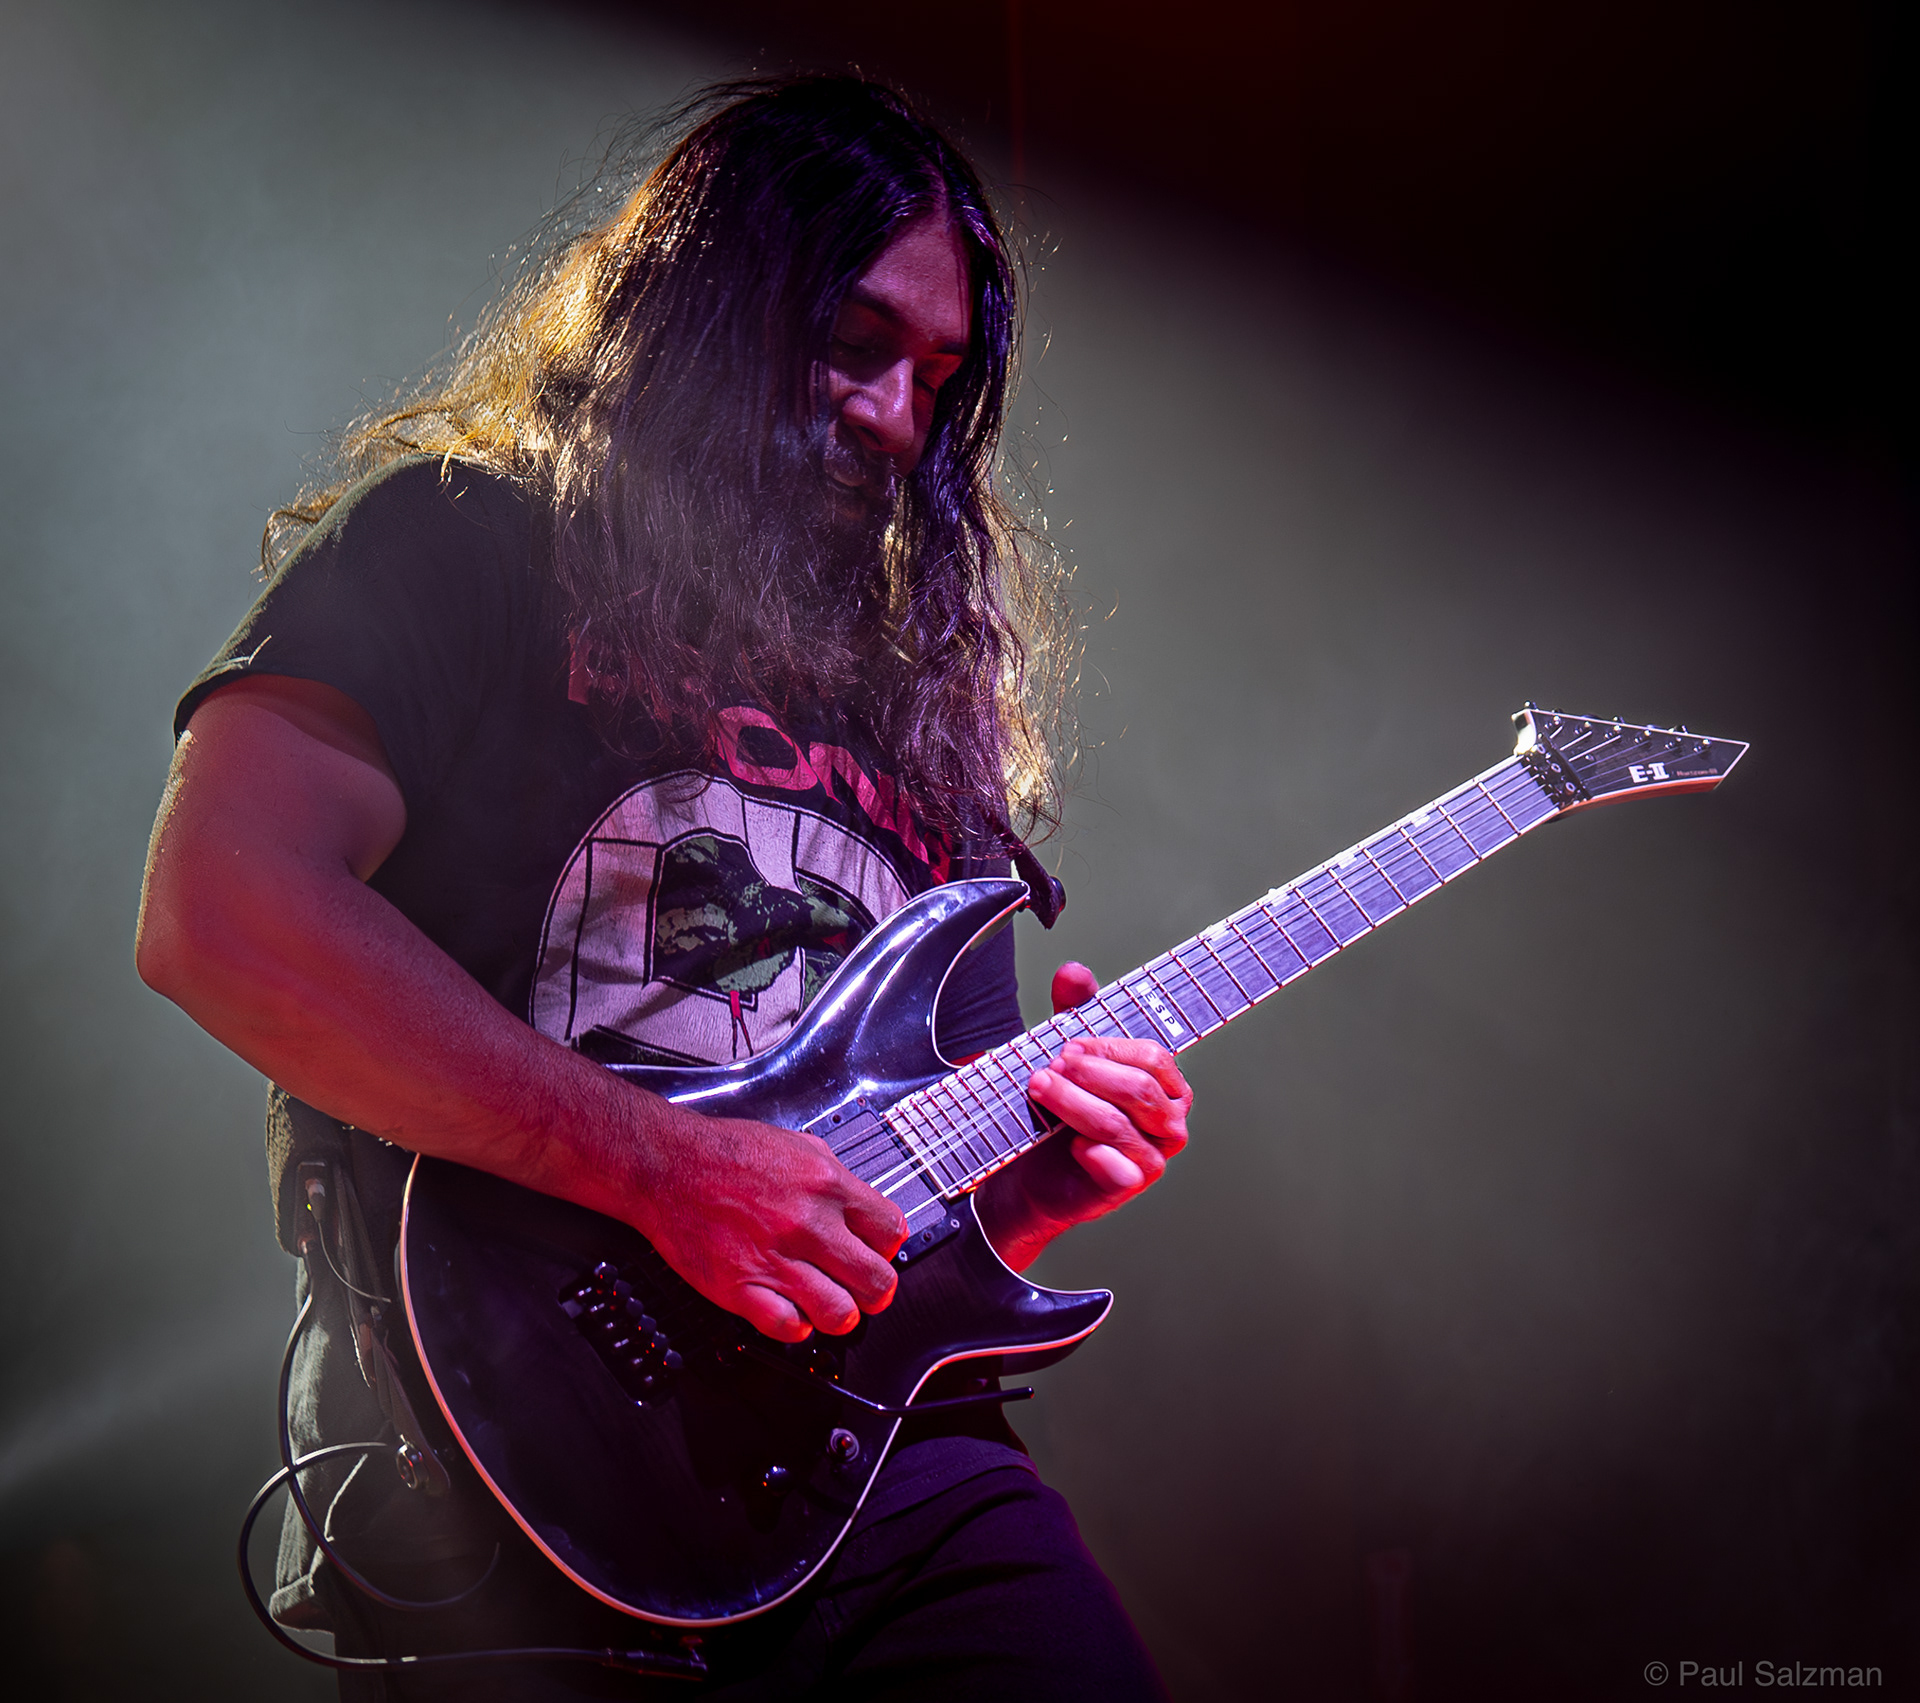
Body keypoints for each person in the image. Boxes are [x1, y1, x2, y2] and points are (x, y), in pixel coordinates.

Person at [137, 76, 1191, 1700]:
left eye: (938, 380)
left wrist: (1034, 1187)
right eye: (851, 342)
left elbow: (917, 1201)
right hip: (517, 1445)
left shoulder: (920, 697)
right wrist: (656, 1168)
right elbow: (222, 911)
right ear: (708, 311)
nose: (896, 418)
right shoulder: (461, 540)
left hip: (882, 1465)